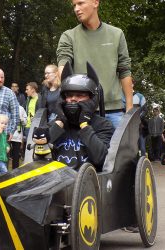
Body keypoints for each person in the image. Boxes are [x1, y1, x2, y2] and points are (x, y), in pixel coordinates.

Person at [57, 0, 133, 128]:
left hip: (114, 111)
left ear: (95, 3)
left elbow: (125, 71)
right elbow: (63, 67)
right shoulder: (68, 36)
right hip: (80, 112)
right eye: (74, 5)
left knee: (120, 148)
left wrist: (129, 110)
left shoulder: (116, 34)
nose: (76, 9)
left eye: (81, 3)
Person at [50, 65, 114, 171]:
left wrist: (84, 123)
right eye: (69, 95)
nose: (73, 99)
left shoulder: (104, 125)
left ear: (92, 99)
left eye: (80, 95)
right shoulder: (56, 124)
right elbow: (39, 156)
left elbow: (101, 159)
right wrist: (59, 123)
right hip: (57, 181)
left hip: (88, 182)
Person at [0, 68, 19, 141]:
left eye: (2, 77)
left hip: (4, 134)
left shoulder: (9, 93)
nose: (0, 80)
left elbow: (15, 114)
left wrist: (11, 131)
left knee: (3, 152)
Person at [9, 104, 27, 169]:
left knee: (16, 155)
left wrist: (21, 119)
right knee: (6, 154)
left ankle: (15, 171)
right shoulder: (7, 106)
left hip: (17, 135)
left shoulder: (21, 108)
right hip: (7, 134)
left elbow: (25, 122)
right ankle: (3, 172)